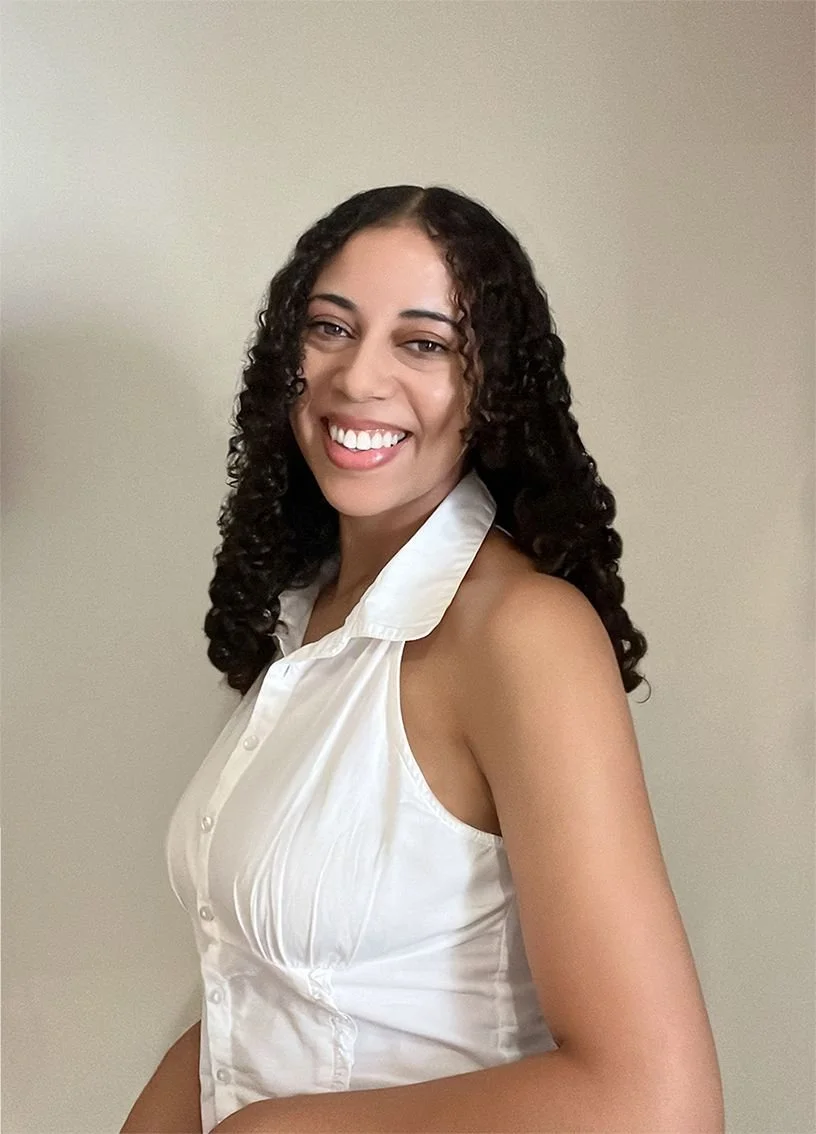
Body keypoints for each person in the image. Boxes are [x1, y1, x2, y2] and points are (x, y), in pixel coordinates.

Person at [122, 185, 724, 1134]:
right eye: (330, 328)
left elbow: (657, 1106)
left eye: (425, 342)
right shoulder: (307, 621)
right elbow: (255, 989)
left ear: (493, 389)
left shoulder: (521, 634)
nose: (358, 380)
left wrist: (271, 1129)